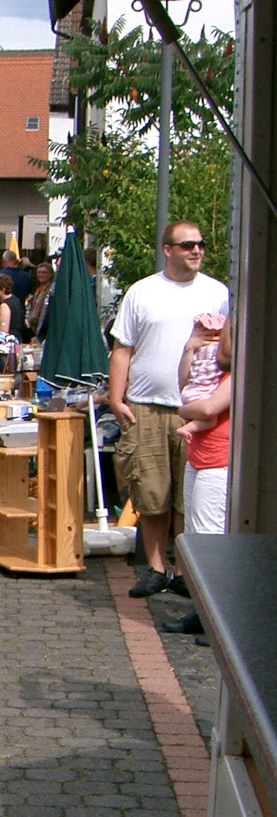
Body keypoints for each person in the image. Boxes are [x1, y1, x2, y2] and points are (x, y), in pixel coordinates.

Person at [107, 221, 231, 596]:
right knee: (151, 492)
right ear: (167, 250)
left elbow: (229, 352)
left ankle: (183, 572)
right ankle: (156, 568)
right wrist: (116, 398)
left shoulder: (218, 293)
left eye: (200, 244)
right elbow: (123, 348)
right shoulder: (142, 292)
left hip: (198, 410)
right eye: (187, 245)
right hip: (146, 405)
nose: (196, 250)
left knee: (187, 498)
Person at [167, 318, 233, 636]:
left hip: (219, 461)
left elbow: (207, 410)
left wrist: (182, 411)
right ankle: (202, 611)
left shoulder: (237, 373)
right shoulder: (211, 369)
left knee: (210, 538)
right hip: (199, 457)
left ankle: (218, 620)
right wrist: (189, 349)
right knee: (195, 535)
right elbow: (184, 387)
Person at [26, 260, 56, 340]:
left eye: (44, 273)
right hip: (34, 327)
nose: (41, 275)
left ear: (51, 274)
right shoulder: (39, 290)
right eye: (39, 272)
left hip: (44, 328)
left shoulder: (50, 290)